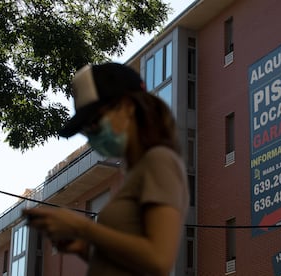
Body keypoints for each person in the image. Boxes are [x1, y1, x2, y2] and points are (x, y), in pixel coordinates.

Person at [23, 62, 189, 276]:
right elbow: (129, 263)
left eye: (94, 124)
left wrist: (82, 228)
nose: (91, 137)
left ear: (128, 105)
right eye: (85, 131)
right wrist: (84, 249)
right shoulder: (136, 171)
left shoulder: (160, 160)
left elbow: (159, 260)